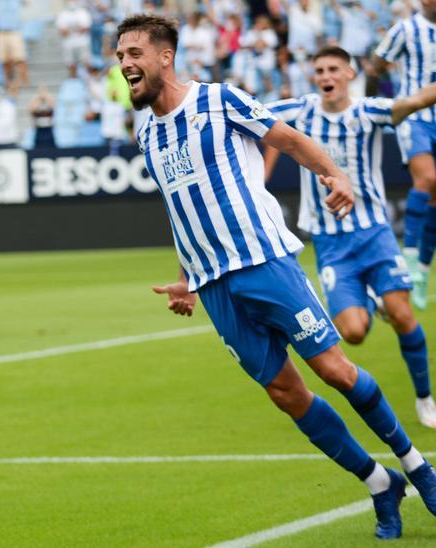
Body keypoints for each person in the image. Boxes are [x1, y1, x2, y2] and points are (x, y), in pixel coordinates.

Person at [119, 15, 436, 539]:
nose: (126, 64)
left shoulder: (219, 100)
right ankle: (381, 483)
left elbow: (288, 140)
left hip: (265, 261)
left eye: (134, 53)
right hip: (215, 285)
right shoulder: (145, 130)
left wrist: (335, 175)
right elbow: (180, 209)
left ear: (164, 56)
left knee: (334, 370)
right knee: (286, 394)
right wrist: (186, 278)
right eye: (120, 56)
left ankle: (418, 466)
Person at [264, 46, 436, 428]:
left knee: (403, 313)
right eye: (320, 70)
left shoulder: (366, 110)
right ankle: (373, 301)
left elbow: (413, 101)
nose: (326, 76)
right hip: (331, 243)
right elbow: (252, 114)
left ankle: (425, 398)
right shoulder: (300, 111)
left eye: (333, 69)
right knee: (353, 334)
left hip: (374, 233)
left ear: (349, 73)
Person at [375, 0, 436, 309]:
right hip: (416, 116)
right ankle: (409, 257)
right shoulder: (406, 30)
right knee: (427, 178)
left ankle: (423, 270)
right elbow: (377, 62)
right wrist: (377, 102)